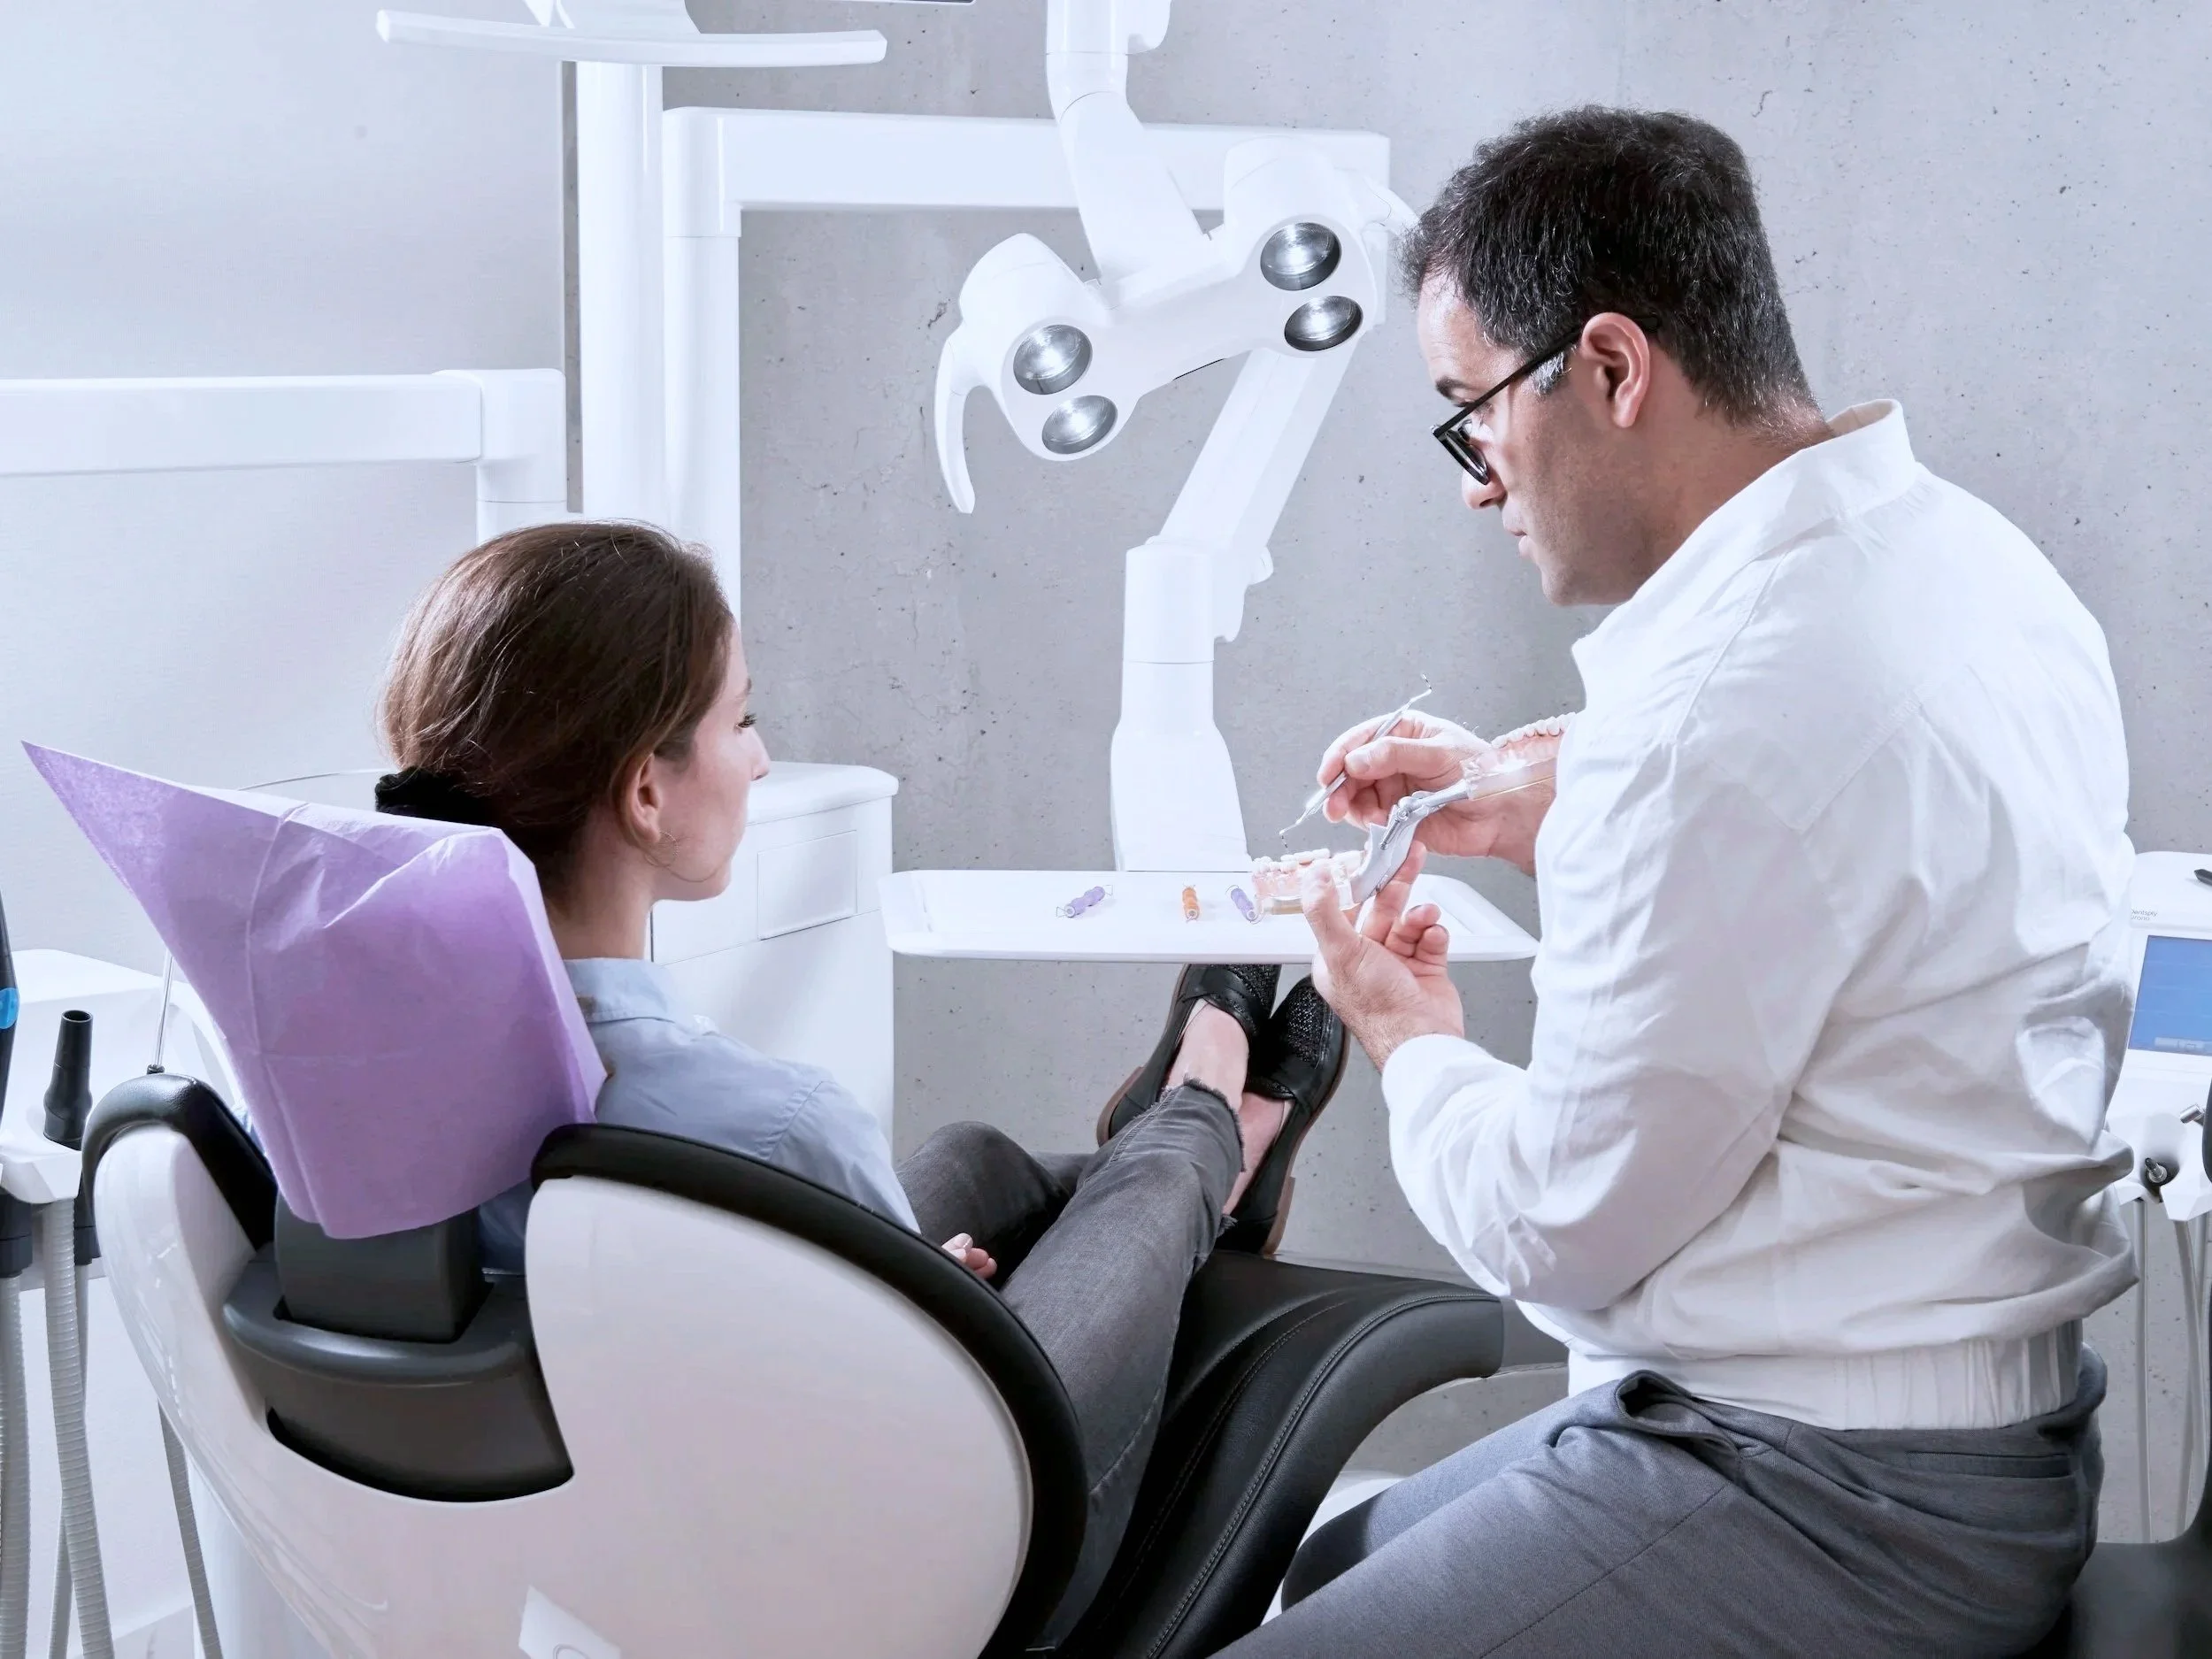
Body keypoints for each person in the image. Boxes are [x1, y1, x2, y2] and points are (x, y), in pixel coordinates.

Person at [1225, 107, 2136, 1656]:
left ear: (1612, 369)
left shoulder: (1711, 725)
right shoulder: (1970, 563)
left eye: (1472, 414)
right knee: (1344, 1563)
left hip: (1832, 1495)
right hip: (1998, 1441)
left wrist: (1403, 1025)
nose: (1475, 483)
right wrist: (1543, 793)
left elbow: (1559, 1228)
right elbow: (1836, 817)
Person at [369, 520, 1349, 1639]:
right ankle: (1213, 1117)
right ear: (646, 794)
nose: (760, 757)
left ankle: (1183, 1131)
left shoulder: (357, 1089)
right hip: (913, 1569)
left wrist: (893, 1297)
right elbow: (926, 1408)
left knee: (980, 1161)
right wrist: (931, 1320)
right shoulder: (770, 1128)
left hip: (641, 1524)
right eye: (740, 718)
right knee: (1148, 1183)